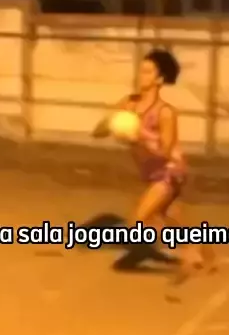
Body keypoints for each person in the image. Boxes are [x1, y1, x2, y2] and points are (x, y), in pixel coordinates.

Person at [92, 49, 216, 280]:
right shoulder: (128, 103)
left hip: (169, 170)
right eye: (141, 70)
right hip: (150, 173)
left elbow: (165, 151)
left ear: (160, 79)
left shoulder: (166, 112)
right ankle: (205, 256)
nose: (142, 75)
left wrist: (140, 135)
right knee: (173, 219)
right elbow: (97, 132)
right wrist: (111, 123)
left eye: (148, 72)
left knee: (137, 221)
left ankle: (152, 254)